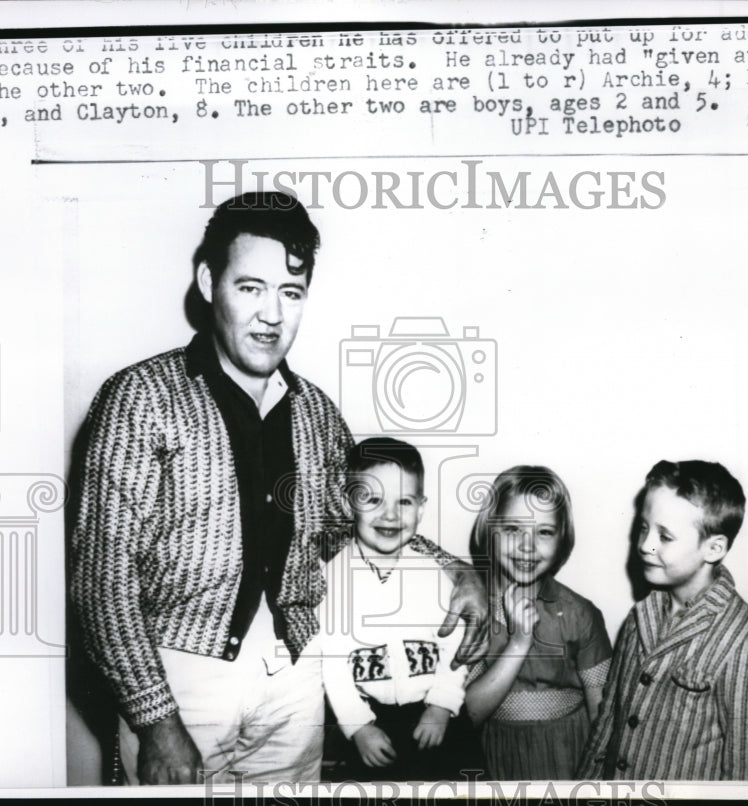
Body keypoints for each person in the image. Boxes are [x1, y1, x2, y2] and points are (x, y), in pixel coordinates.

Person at [69, 192, 488, 785]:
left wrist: (458, 570)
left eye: (290, 294)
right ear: (209, 280)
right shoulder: (141, 398)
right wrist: (154, 719)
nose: (272, 315)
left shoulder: (317, 413)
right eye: (251, 288)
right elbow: (102, 580)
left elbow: (367, 521)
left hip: (296, 679)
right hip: (180, 681)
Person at [579, 460, 748, 781]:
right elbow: (607, 723)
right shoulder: (640, 616)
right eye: (644, 527)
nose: (645, 545)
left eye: (665, 536)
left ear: (713, 548)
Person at [318, 438, 485, 781]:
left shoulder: (432, 573)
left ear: (421, 509)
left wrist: (441, 705)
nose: (390, 514)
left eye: (404, 501)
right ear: (349, 504)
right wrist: (358, 727)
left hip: (438, 714)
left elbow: (453, 646)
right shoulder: (333, 578)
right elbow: (331, 663)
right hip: (372, 721)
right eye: (374, 499)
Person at [464, 466, 611, 780]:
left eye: (543, 532)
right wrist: (519, 642)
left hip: (569, 756)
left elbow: (603, 712)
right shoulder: (472, 612)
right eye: (514, 529)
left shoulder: (579, 614)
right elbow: (467, 715)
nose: (527, 546)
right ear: (490, 530)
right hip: (495, 760)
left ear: (561, 539)